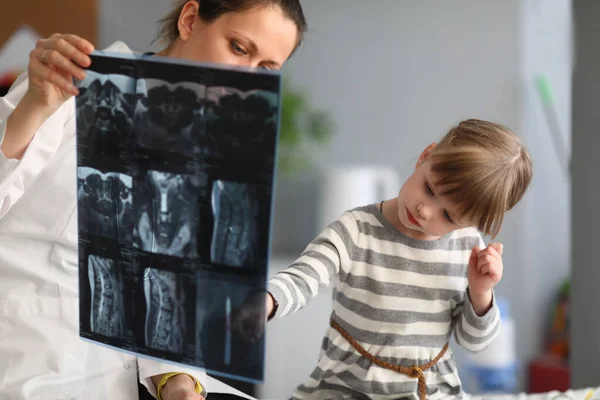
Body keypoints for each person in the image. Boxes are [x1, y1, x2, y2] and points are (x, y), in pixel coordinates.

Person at [0, 1, 306, 399]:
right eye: (238, 48)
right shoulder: (73, 81)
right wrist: (35, 107)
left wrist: (179, 382)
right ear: (190, 20)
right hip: (31, 361)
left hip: (119, 381)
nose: (245, 78)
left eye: (266, 69)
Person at [235, 119, 533, 400]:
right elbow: (306, 274)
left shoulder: (467, 249)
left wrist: (481, 292)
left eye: (449, 216)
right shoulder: (356, 228)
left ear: (468, 223)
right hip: (348, 387)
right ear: (426, 156)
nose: (426, 210)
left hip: (427, 390)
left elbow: (474, 343)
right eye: (430, 188)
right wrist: (269, 299)